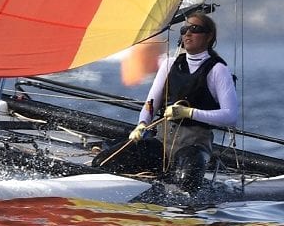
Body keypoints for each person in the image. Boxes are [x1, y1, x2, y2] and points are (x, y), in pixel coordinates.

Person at [95, 11, 239, 193]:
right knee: (101, 162)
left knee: (185, 183)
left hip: (193, 145)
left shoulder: (218, 70)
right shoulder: (169, 64)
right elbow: (151, 103)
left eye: (195, 29)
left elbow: (230, 116)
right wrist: (141, 124)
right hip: (162, 143)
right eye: (185, 29)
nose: (187, 33)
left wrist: (189, 113)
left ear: (209, 36)